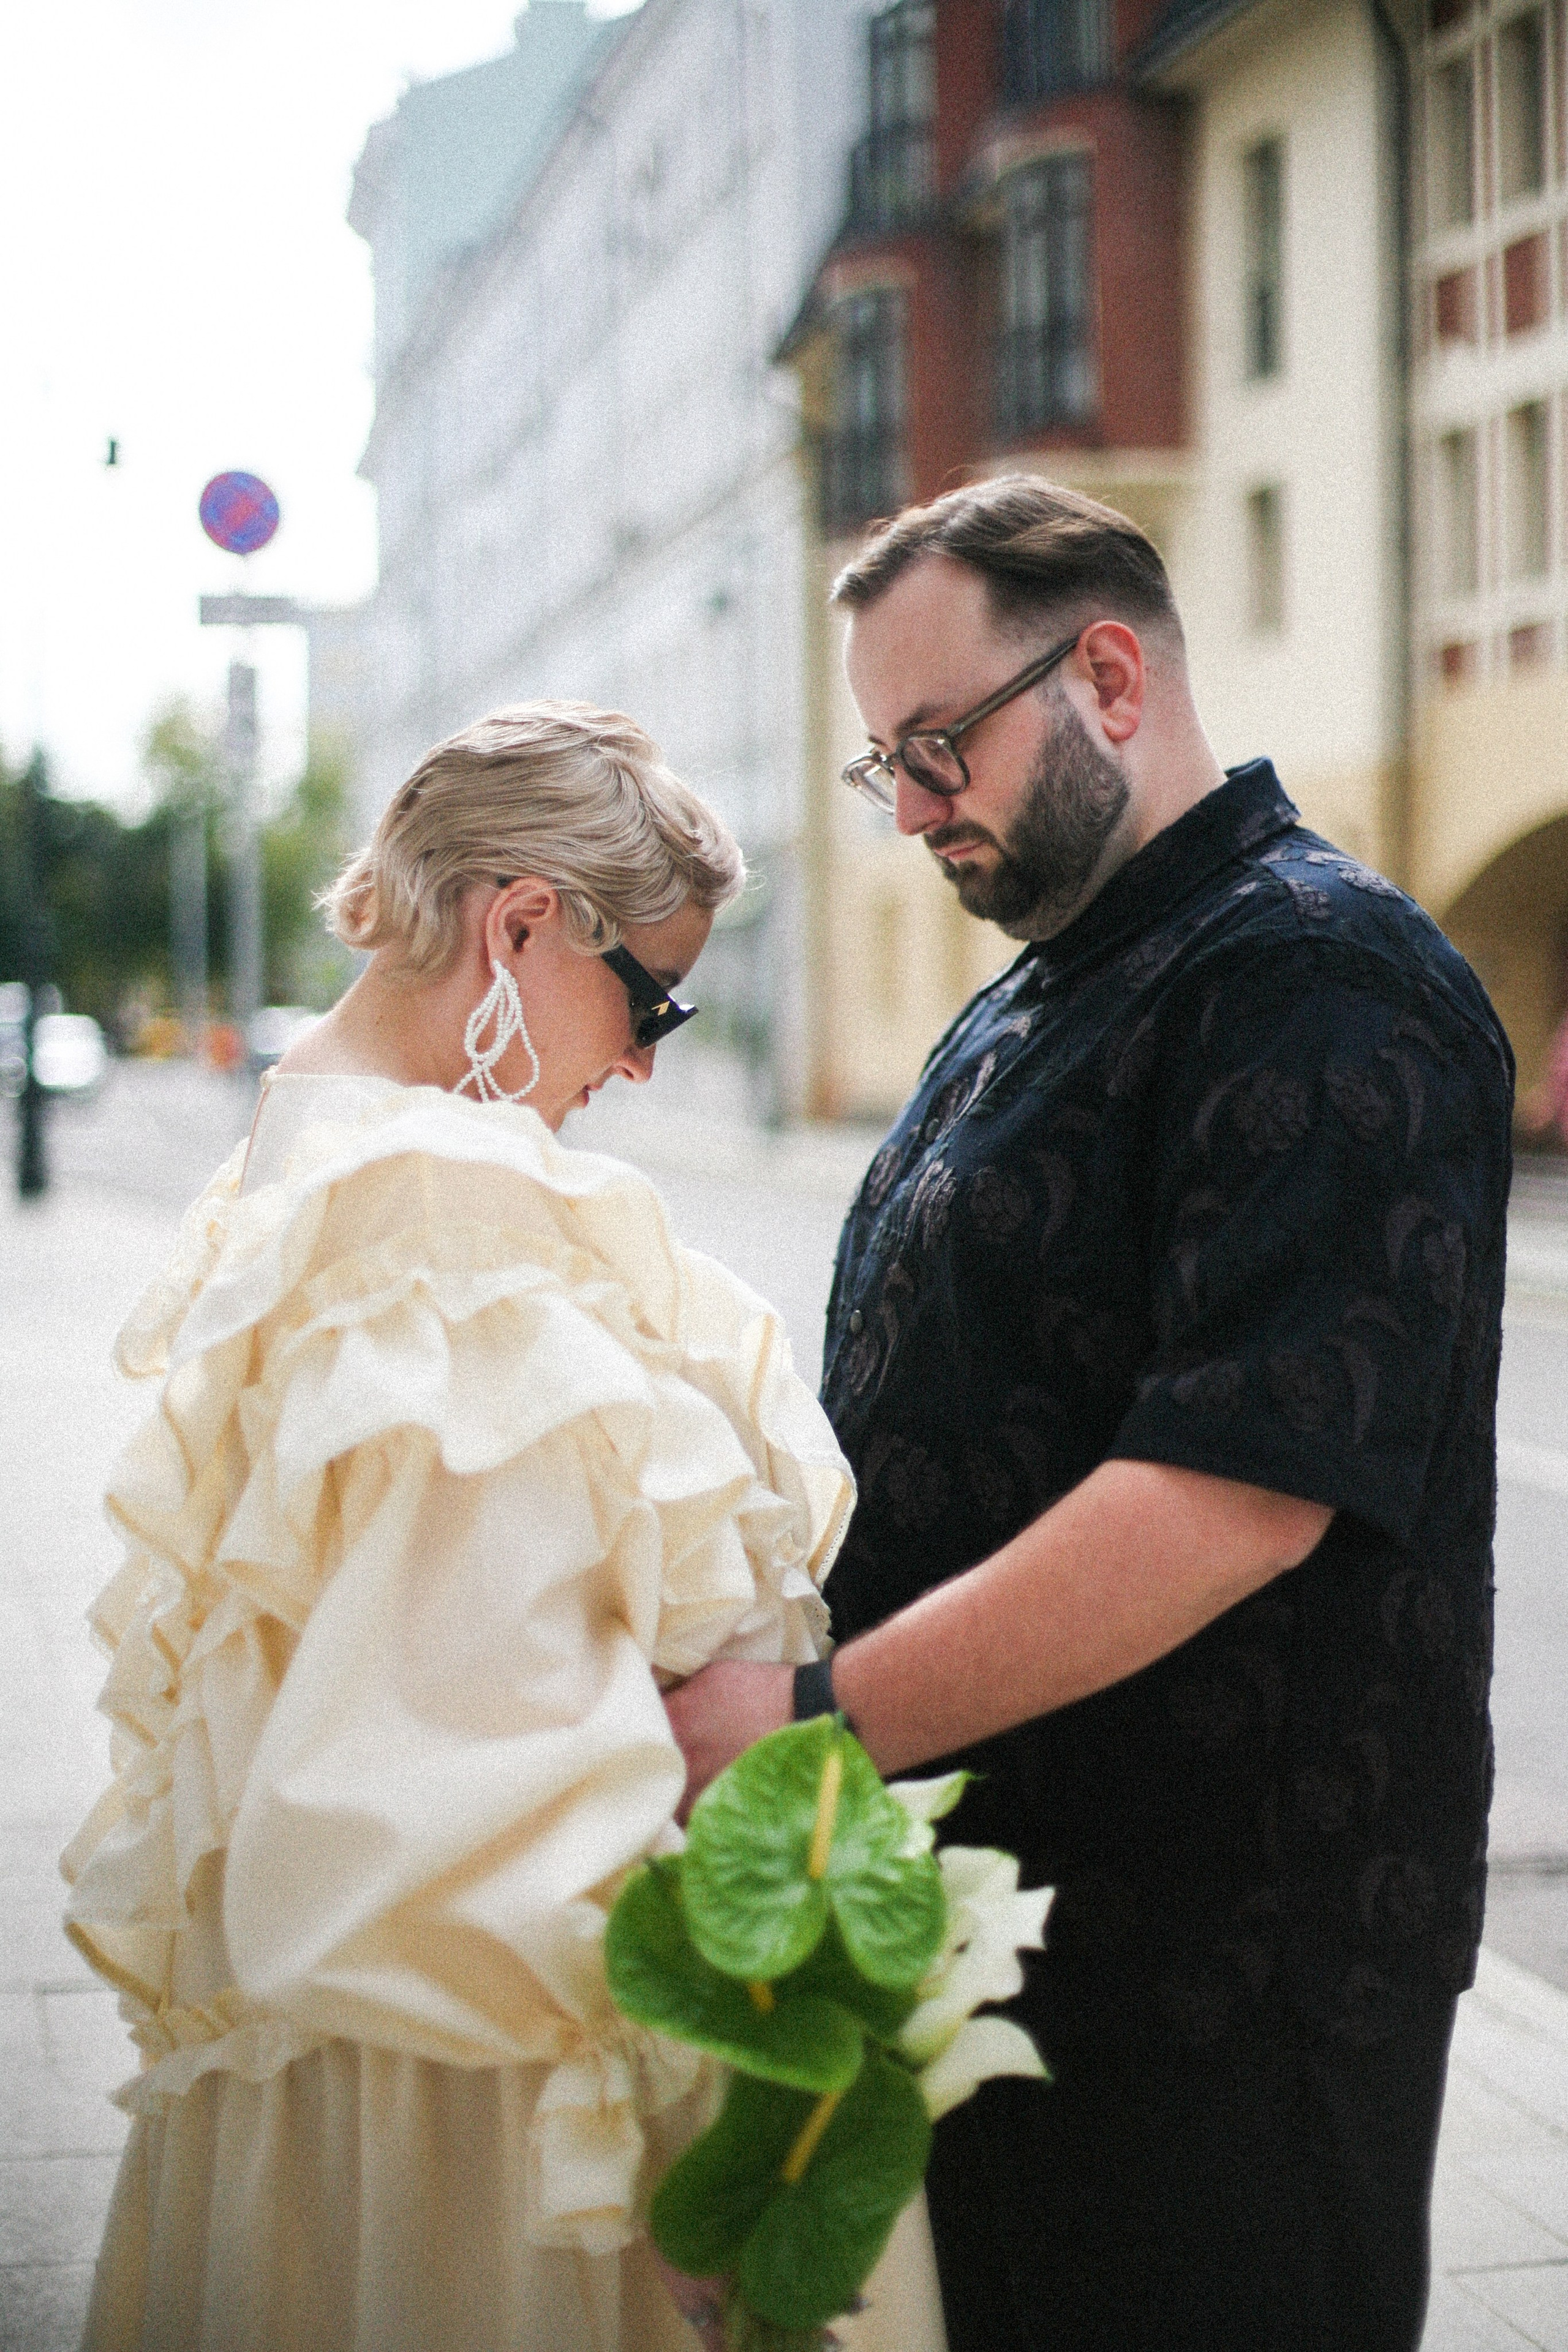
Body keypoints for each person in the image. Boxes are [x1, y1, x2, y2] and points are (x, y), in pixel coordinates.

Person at [665, 479, 1515, 2351]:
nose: (904, 808)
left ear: (1110, 676)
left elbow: (1232, 1495)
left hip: (1227, 1970)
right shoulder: (1060, 978)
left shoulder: (1316, 975)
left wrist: (808, 1733)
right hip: (1027, 1928)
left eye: (935, 745)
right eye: (880, 762)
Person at [62, 703, 861, 2352]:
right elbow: (485, 1791)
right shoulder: (436, 1208)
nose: (645, 1060)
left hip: (339, 2084)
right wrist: (689, 2163)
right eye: (653, 996)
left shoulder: (288, 1176)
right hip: (506, 2114)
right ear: (517, 922)